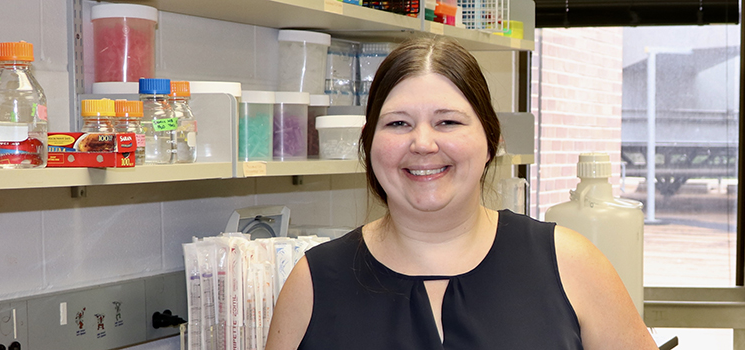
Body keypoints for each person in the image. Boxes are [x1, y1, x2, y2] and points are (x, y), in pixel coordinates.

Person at [266, 36, 657, 350]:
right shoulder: (313, 282)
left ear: (491, 139)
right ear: (368, 144)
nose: (422, 143)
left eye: (448, 122)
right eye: (399, 123)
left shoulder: (571, 265)